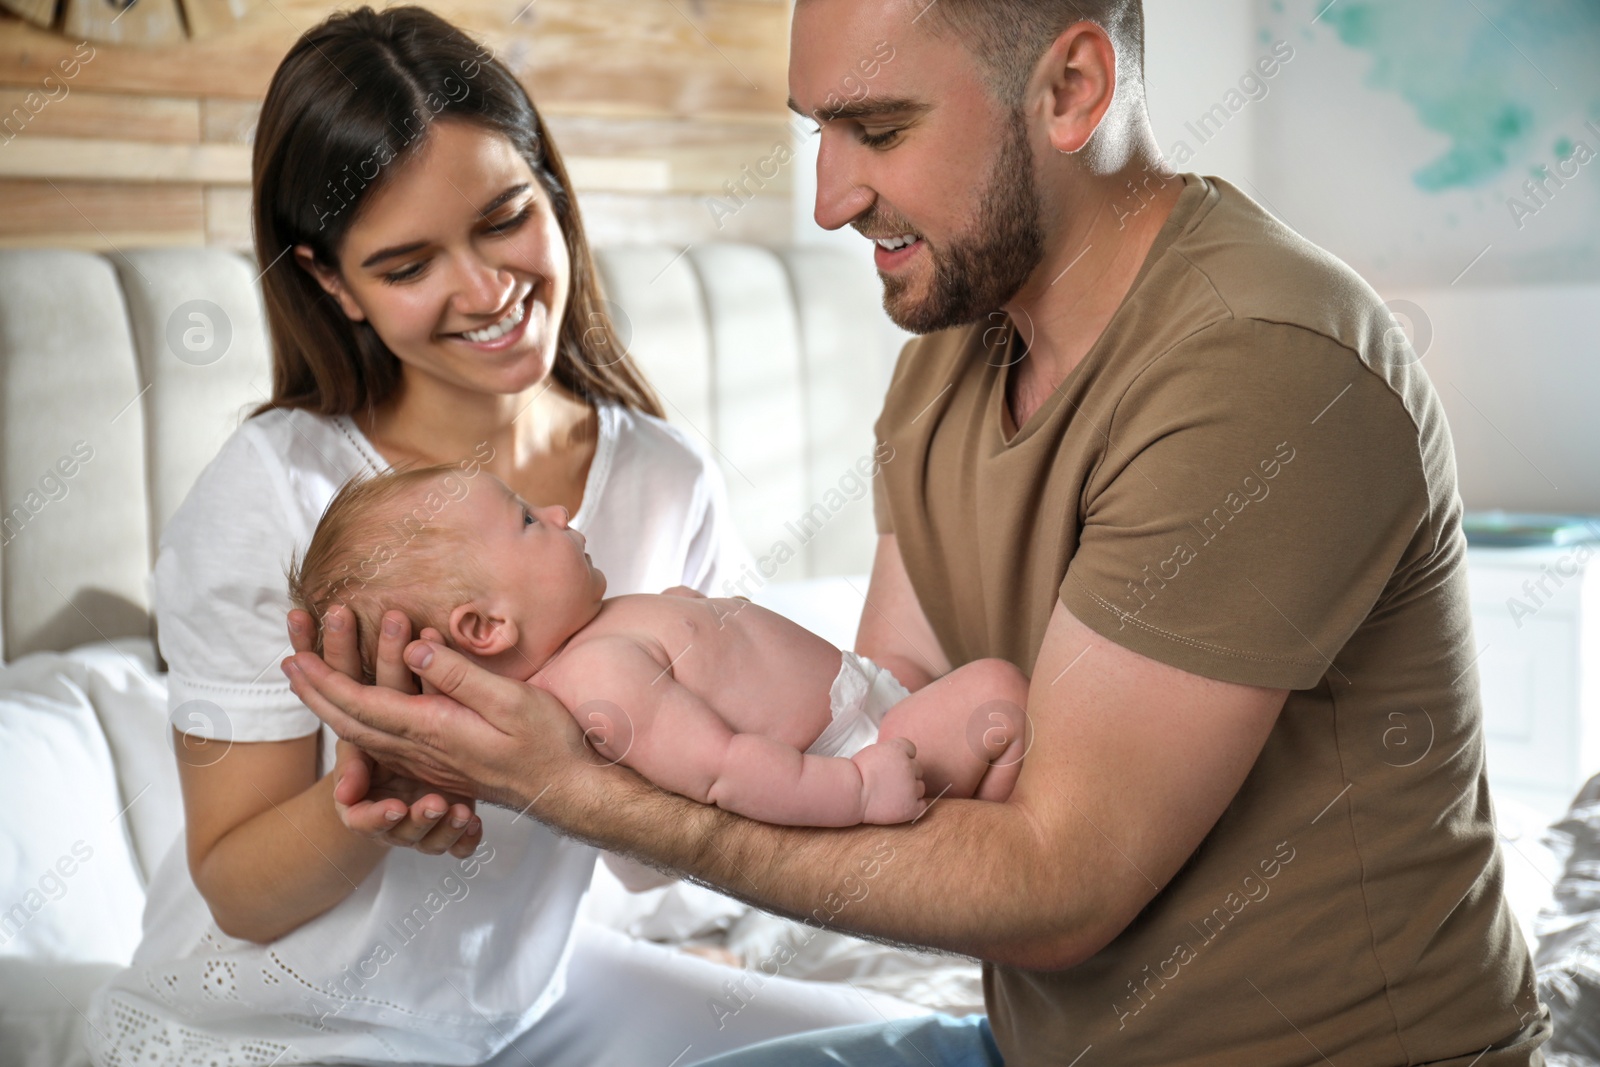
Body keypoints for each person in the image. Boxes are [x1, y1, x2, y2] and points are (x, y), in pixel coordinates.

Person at [284, 0, 1554, 1064]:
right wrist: (485, 730)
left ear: (1071, 87)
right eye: (815, 133)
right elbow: (888, 717)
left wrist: (579, 788)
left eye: (876, 129)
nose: (831, 198)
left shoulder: (1259, 367)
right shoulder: (946, 355)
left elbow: (1055, 885)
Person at [83, 7, 929, 1066]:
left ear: (553, 192)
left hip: (521, 1005)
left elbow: (661, 858)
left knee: (907, 1047)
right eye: (405, 265)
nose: (487, 291)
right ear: (329, 281)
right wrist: (375, 784)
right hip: (276, 1020)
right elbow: (240, 892)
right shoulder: (274, 494)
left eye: (503, 218)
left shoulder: (664, 477)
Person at [288, 465, 1032, 826]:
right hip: (852, 753)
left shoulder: (600, 634)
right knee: (998, 692)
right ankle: (1000, 846)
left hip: (870, 708)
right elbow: (722, 773)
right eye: (525, 522)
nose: (555, 510)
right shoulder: (597, 678)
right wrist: (860, 791)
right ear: (486, 628)